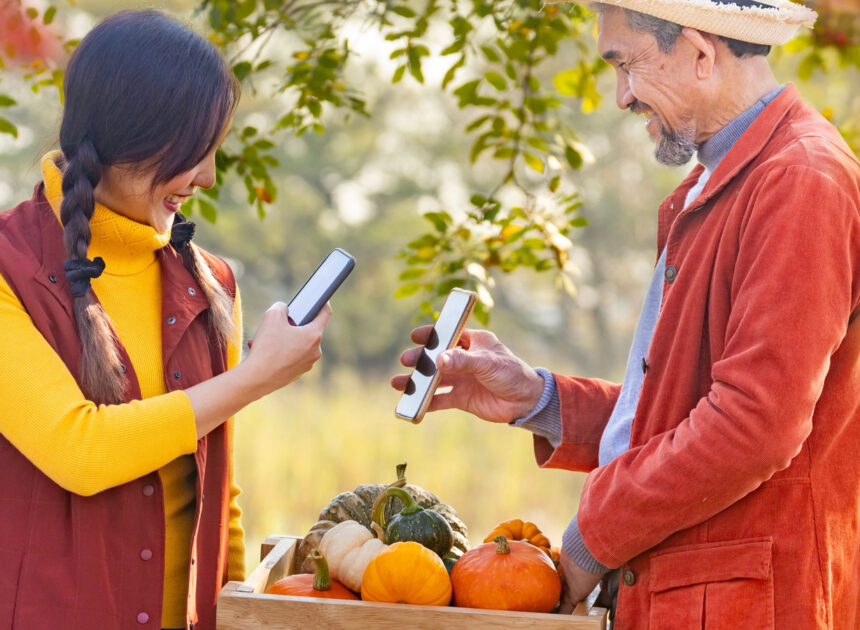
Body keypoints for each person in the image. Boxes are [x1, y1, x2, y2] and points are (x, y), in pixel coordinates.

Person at [393, 1, 860, 628]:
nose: (621, 97)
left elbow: (754, 424)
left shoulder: (799, 181)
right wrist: (539, 399)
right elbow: (684, 410)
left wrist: (594, 536)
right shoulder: (728, 182)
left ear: (699, 52)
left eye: (626, 65)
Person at [0, 10, 330, 630]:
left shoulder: (210, 281)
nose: (205, 177)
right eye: (190, 152)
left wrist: (233, 609)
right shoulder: (8, 267)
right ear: (126, 135)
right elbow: (79, 449)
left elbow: (218, 491)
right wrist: (257, 377)